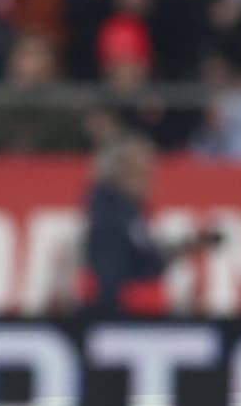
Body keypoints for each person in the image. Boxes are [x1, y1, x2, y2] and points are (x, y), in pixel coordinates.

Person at [80, 133, 223, 317]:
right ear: (123, 172)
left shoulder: (128, 211)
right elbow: (120, 272)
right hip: (119, 315)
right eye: (144, 172)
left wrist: (188, 246)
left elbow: (147, 259)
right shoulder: (111, 214)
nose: (152, 180)